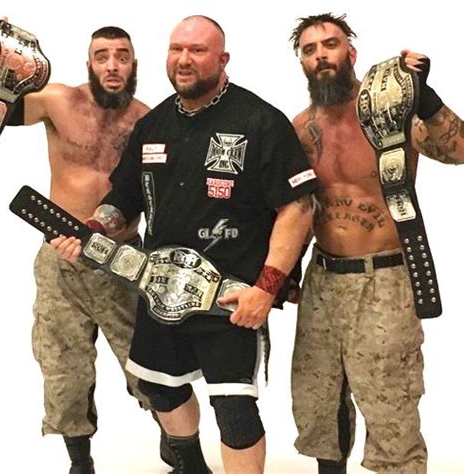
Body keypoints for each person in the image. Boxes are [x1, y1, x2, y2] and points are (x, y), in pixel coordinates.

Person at [53, 15, 318, 473]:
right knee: (161, 389)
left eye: (197, 50)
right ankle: (190, 465)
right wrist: (95, 226)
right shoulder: (153, 125)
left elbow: (298, 208)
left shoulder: (260, 121)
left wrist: (267, 287)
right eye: (177, 49)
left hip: (231, 295)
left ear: (223, 59)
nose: (184, 59)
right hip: (161, 292)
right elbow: (124, 196)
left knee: (234, 412)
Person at [289, 12, 464, 474]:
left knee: (391, 402)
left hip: (385, 276)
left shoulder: (392, 111)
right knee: (318, 399)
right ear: (302, 62)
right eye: (310, 49)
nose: (321, 55)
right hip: (323, 280)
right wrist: (284, 272)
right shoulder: (300, 128)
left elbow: (461, 150)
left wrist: (425, 98)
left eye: (330, 44)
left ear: (351, 53)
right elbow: (294, 210)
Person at [0, 23, 170, 473]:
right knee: (63, 366)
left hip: (122, 257)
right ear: (88, 62)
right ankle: (80, 461)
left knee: (150, 364)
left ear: (134, 63)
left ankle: (178, 442)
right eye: (102, 56)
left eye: (122, 56)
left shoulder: (149, 120)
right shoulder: (57, 101)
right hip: (61, 255)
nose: (112, 65)